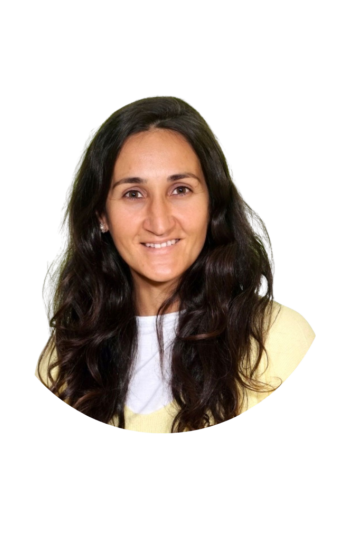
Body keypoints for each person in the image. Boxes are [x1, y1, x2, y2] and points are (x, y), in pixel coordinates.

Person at [34, 95, 315, 433]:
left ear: (212, 204)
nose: (159, 221)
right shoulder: (60, 362)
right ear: (101, 216)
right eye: (133, 194)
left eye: (180, 189)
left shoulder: (279, 338)